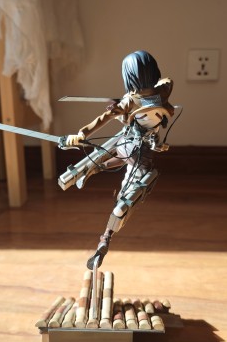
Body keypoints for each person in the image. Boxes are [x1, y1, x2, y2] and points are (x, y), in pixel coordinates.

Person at [62, 50, 175, 270]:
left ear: (129, 77)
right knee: (126, 197)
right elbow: (168, 81)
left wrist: (80, 135)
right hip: (141, 152)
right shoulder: (164, 93)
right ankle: (106, 237)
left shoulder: (130, 100)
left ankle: (91, 170)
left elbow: (103, 119)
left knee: (116, 155)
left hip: (127, 145)